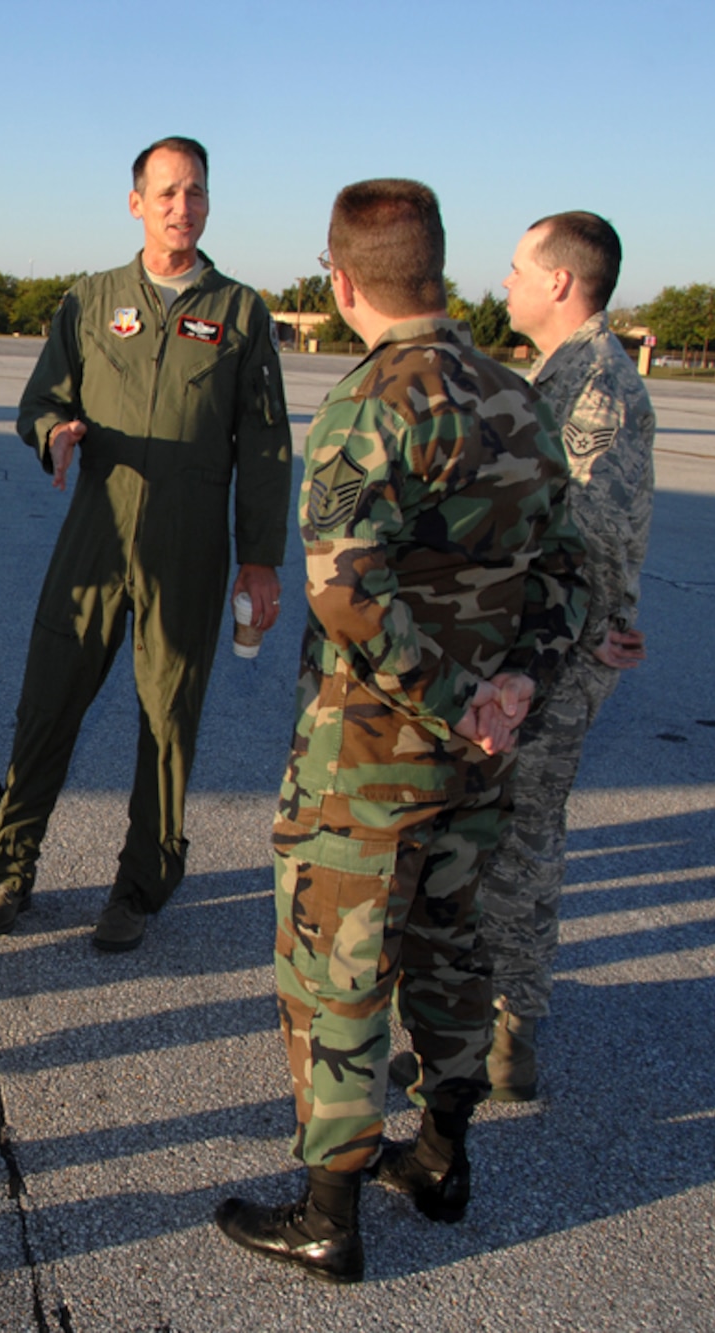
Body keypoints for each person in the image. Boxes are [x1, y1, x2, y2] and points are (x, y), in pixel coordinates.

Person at [212, 180, 586, 1282]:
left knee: (339, 970)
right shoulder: (514, 395)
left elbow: (343, 588)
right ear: (434, 268)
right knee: (448, 940)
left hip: (372, 756)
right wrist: (510, 686)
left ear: (339, 280)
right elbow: (570, 571)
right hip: (480, 756)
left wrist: (450, 694)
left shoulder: (372, 402)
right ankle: (439, 1154)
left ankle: (328, 1210)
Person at [0, 135, 293, 952]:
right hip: (96, 532)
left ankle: (139, 886)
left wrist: (260, 560)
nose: (181, 208)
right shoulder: (90, 300)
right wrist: (55, 435)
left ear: (209, 202)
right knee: (49, 701)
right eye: (166, 194)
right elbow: (39, 399)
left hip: (187, 550)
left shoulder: (240, 312)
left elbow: (263, 446)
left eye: (195, 193)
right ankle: (11, 867)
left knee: (167, 719)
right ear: (136, 203)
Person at [476, 211, 654, 1098]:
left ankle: (510, 1029)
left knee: (525, 839)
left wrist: (596, 630)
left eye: (516, 268)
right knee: (503, 832)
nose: (504, 281)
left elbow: (587, 539)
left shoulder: (599, 391)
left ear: (557, 281)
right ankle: (481, 1022)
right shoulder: (558, 377)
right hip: (538, 647)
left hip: (552, 658)